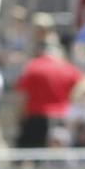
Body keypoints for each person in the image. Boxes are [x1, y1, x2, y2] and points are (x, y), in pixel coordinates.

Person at [13, 19, 81, 149]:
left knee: (28, 159)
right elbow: (80, 91)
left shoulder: (31, 67)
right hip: (62, 119)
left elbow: (22, 97)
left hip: (35, 119)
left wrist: (19, 119)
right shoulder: (69, 68)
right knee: (57, 160)